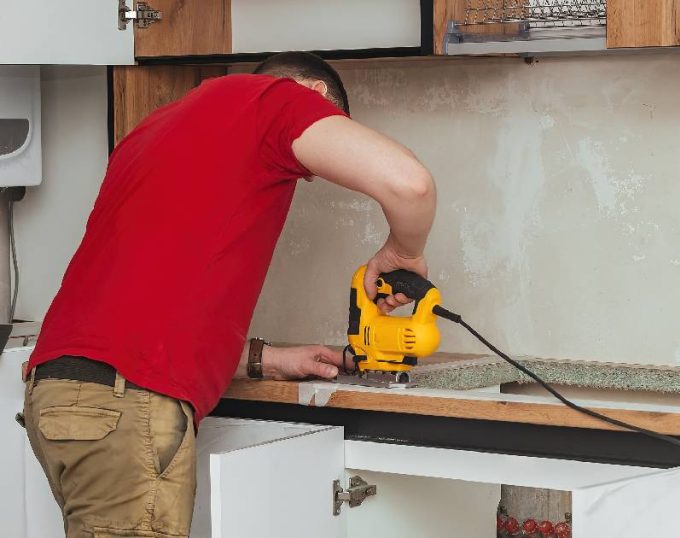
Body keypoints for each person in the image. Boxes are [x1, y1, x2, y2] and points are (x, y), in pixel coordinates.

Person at [21, 51, 436, 537]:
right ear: (317, 97)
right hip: (125, 406)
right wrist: (403, 254)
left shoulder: (156, 129)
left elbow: (147, 307)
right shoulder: (280, 101)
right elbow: (411, 185)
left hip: (59, 395)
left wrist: (265, 359)